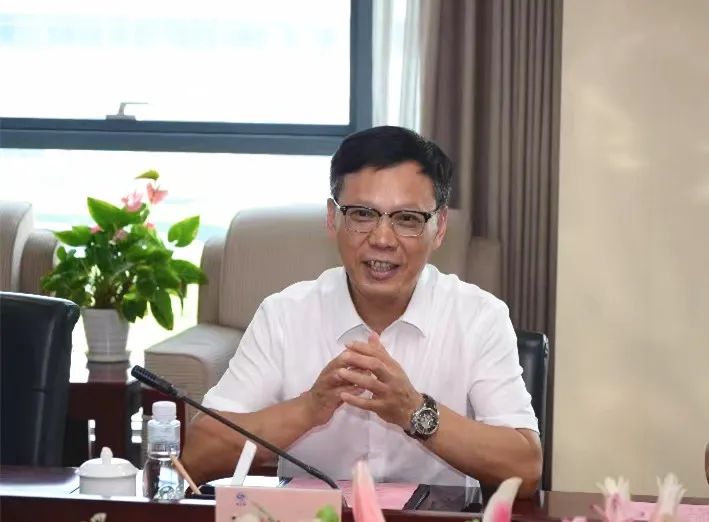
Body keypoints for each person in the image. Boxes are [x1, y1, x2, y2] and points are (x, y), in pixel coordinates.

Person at [181, 126, 542, 497]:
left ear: (439, 228)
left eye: (407, 219)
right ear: (332, 218)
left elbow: (526, 470)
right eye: (362, 214)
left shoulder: (479, 317)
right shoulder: (284, 316)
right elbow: (196, 456)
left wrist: (415, 412)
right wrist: (309, 408)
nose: (382, 239)